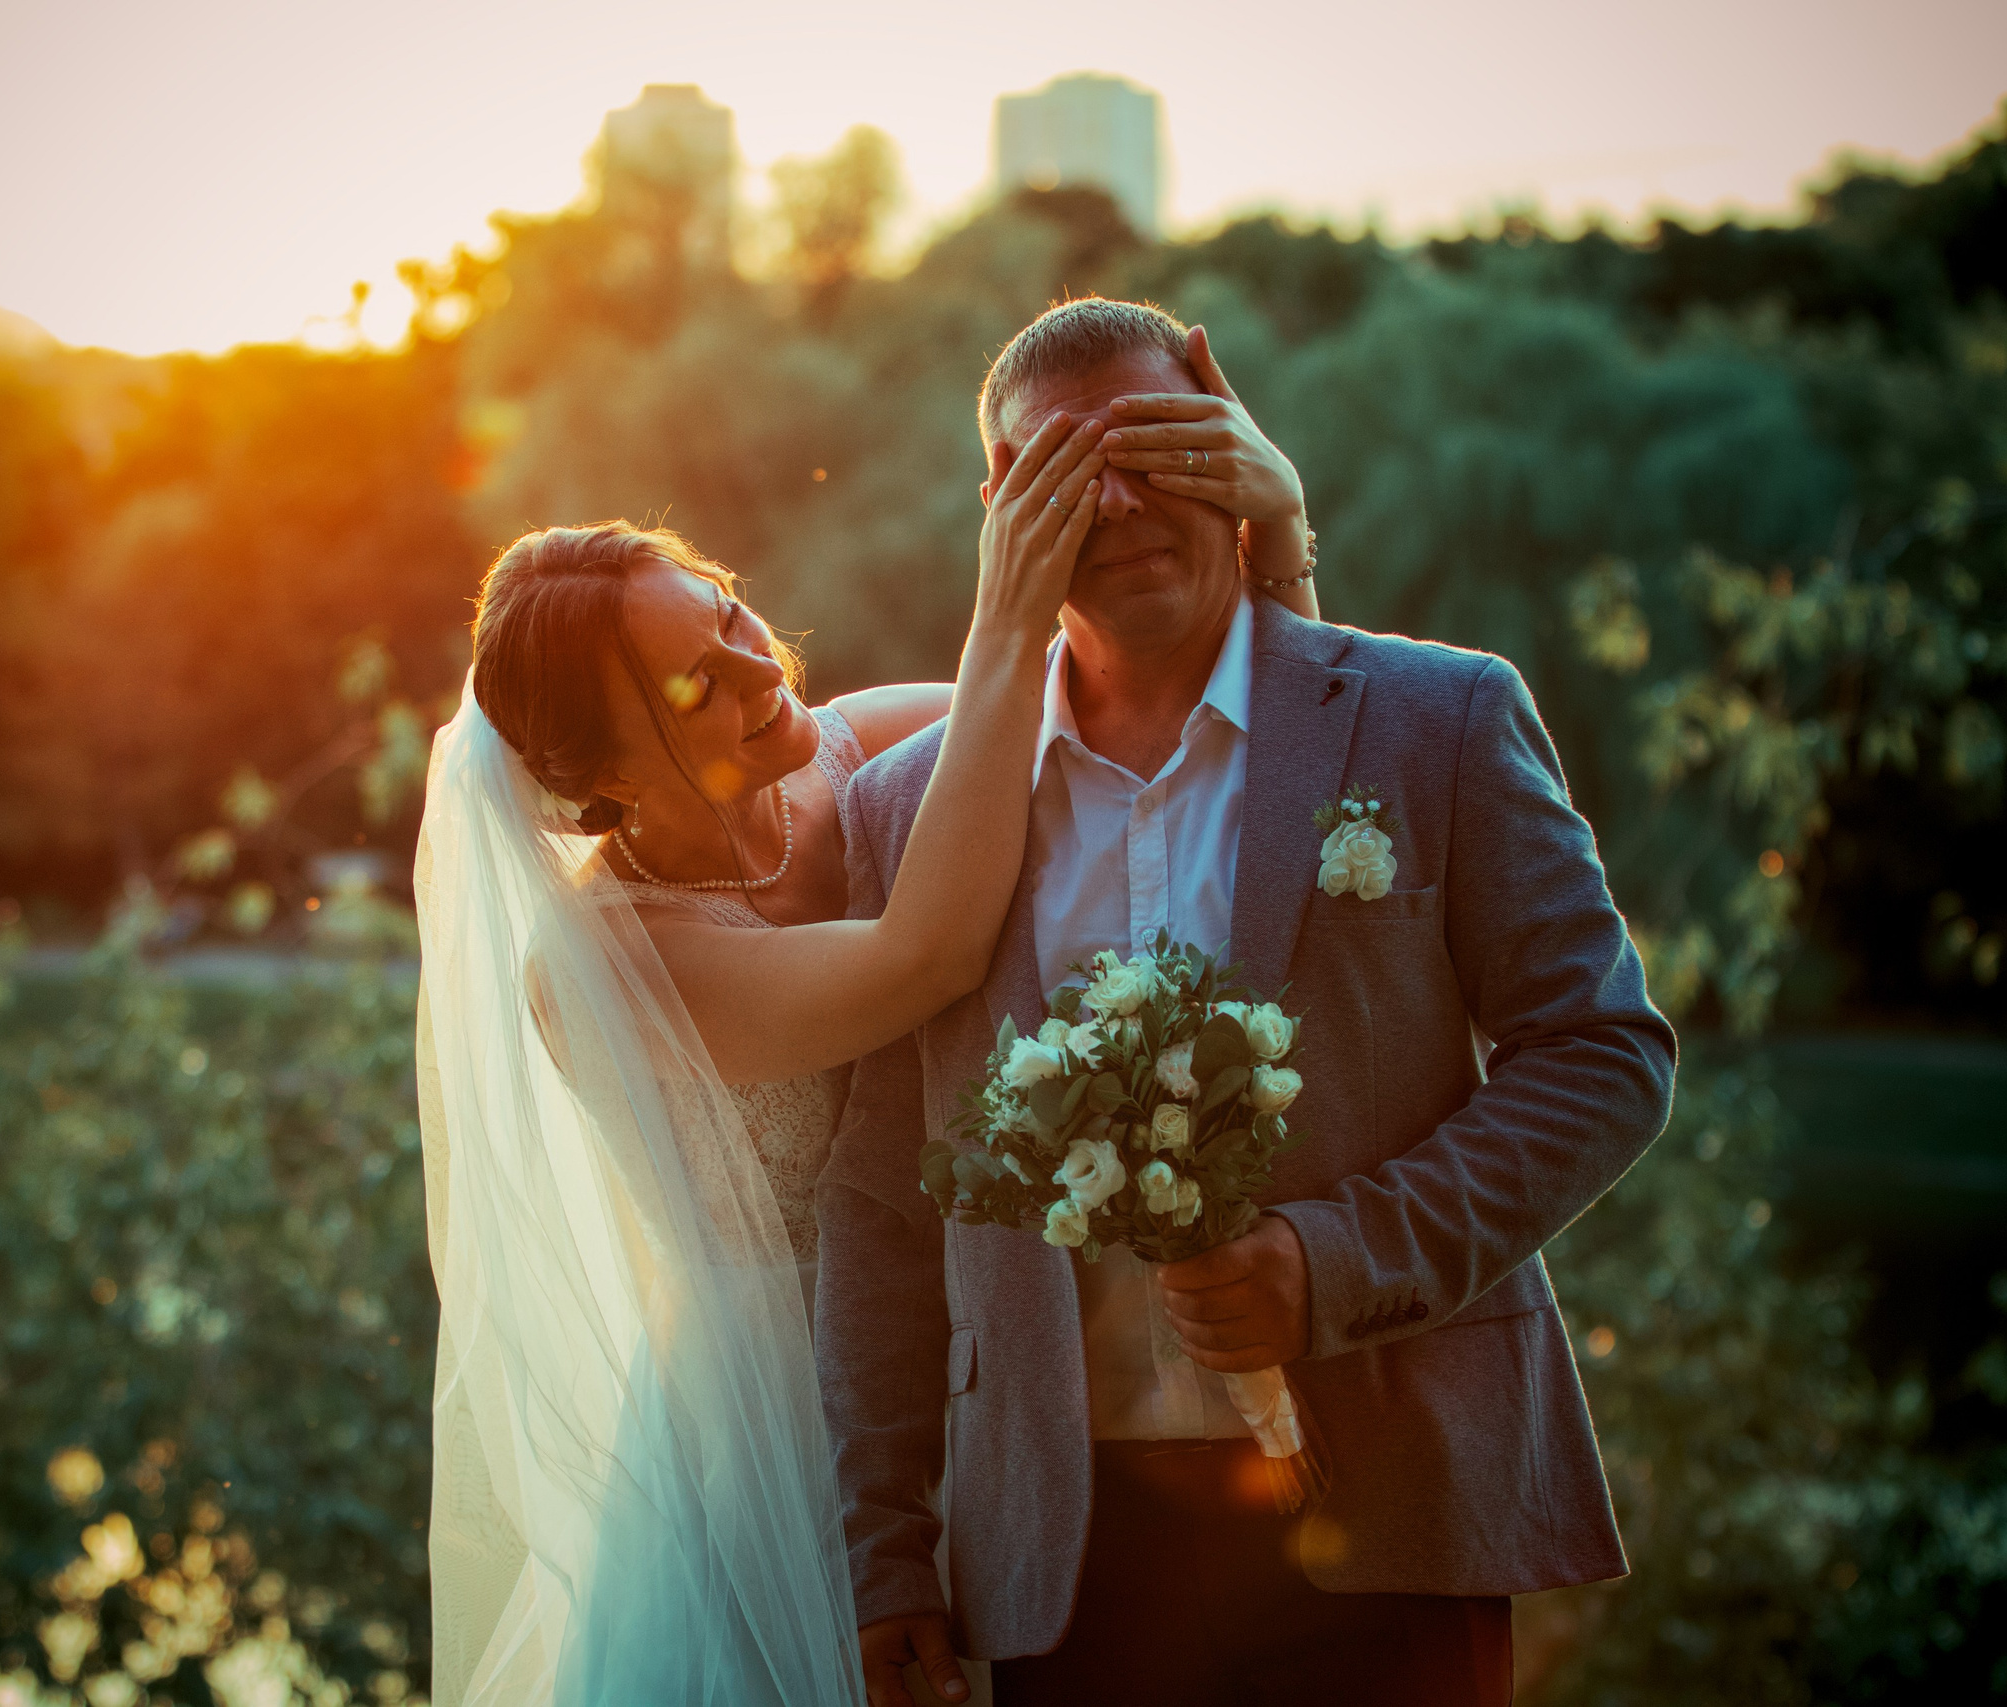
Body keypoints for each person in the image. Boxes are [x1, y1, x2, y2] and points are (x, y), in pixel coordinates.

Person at [412, 337, 1325, 1704]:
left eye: (722, 609)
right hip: (781, 1427)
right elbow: (926, 960)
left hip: (991, 1345)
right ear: (596, 777)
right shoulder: (613, 957)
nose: (750, 665)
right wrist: (1005, 616)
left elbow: (1194, 736)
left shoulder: (874, 747)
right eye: (691, 684)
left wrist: (1274, 535)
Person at [816, 296, 1679, 1707]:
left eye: (1164, 444)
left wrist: (1330, 1260)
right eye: (1063, 467)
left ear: (1239, 455)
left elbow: (1602, 1054)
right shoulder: (903, 812)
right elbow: (878, 1208)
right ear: (997, 507)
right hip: (1062, 1552)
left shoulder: (1438, 719)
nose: (1120, 497)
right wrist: (886, 1552)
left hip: (1394, 1507)